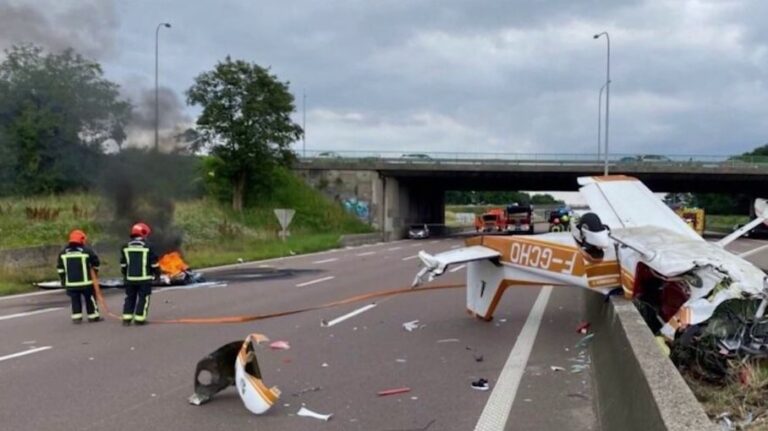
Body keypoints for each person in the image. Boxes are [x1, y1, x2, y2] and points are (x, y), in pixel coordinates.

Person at [57, 229, 101, 323]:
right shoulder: (86, 251)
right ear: (81, 239)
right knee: (90, 299)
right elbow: (96, 263)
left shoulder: (63, 252)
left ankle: (77, 317)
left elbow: (60, 269)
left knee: (75, 301)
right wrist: (95, 274)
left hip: (71, 284)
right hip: (86, 283)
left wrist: (63, 280)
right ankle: (93, 316)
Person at [120, 222, 160, 326]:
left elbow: (123, 264)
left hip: (130, 279)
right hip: (144, 279)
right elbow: (154, 264)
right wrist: (157, 275)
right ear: (143, 233)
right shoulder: (148, 246)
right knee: (143, 298)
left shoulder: (125, 246)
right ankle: (139, 319)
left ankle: (126, 318)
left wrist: (125, 275)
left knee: (130, 297)